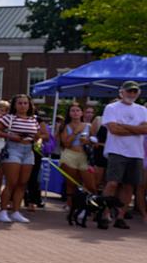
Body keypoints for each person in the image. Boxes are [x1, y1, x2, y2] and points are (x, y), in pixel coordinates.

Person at [0, 94, 47, 223]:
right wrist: (11, 136)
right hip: (13, 148)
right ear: (14, 105)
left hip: (29, 150)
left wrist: (37, 138)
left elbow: (41, 135)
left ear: (29, 105)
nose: (23, 106)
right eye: (20, 103)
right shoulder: (8, 118)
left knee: (22, 183)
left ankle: (16, 211)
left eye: (25, 103)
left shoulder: (33, 119)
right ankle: (3, 210)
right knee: (11, 182)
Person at [101, 80, 147, 229]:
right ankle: (104, 213)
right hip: (116, 150)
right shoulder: (111, 107)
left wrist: (124, 126)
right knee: (112, 182)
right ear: (122, 92)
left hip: (136, 152)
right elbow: (114, 130)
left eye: (134, 91)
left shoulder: (142, 110)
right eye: (129, 91)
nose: (131, 94)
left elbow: (145, 130)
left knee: (129, 186)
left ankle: (120, 216)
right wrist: (136, 129)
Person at [57, 103, 97, 197]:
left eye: (78, 110)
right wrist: (76, 132)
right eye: (73, 111)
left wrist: (88, 141)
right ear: (69, 113)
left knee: (90, 185)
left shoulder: (89, 126)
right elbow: (66, 144)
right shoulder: (65, 126)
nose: (75, 113)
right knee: (71, 184)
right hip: (69, 155)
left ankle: (89, 208)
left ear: (82, 113)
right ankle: (71, 207)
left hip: (84, 156)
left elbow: (95, 142)